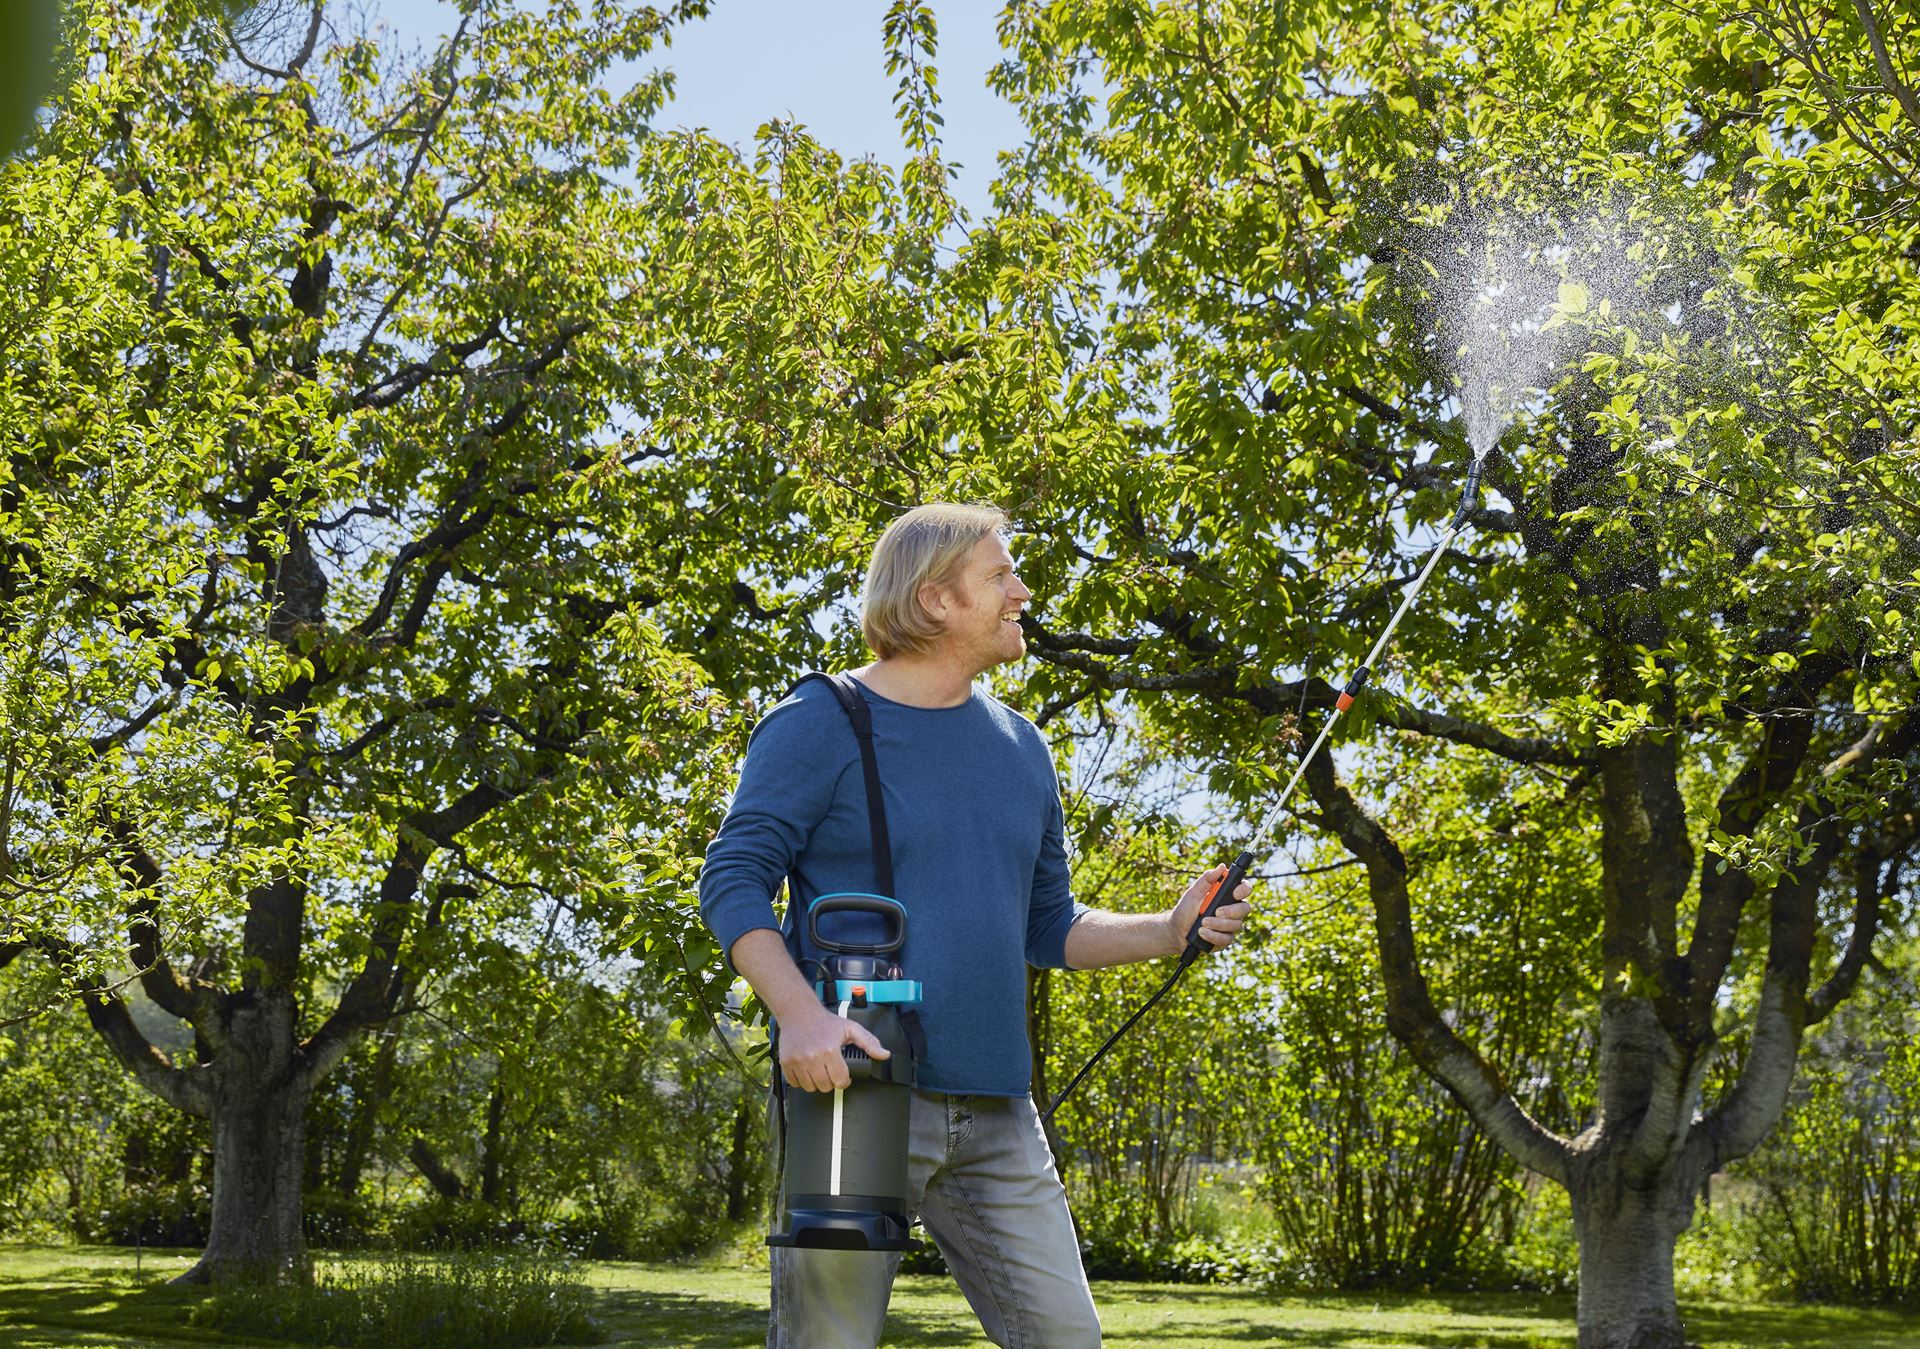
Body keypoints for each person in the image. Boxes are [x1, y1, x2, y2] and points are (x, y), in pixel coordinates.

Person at [697, 502, 1253, 1349]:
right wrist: (799, 1016)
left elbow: (1050, 924)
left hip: (1000, 1106)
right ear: (934, 601)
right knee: (827, 1342)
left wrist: (1171, 927)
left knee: (1068, 1339)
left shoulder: (1021, 747)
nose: (1023, 592)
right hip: (860, 1095)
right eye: (999, 575)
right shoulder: (820, 720)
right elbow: (732, 878)